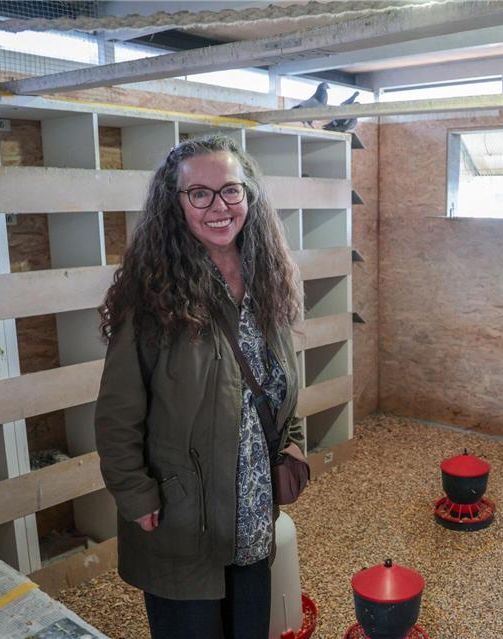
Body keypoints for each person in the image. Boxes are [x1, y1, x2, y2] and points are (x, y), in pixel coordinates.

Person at [94, 135, 304, 639]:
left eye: (231, 190)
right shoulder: (152, 296)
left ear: (249, 197)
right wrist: (136, 494)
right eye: (200, 194)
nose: (219, 206)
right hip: (184, 514)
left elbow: (280, 380)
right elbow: (118, 413)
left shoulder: (266, 278)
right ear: (176, 202)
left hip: (252, 513)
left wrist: (292, 439)